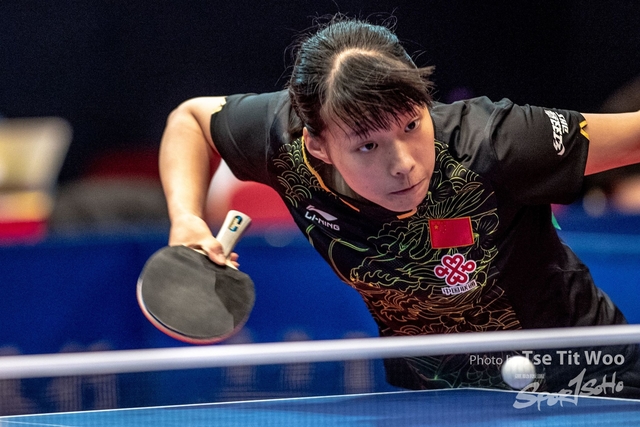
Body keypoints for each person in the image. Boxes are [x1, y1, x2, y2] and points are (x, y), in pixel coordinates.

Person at [159, 16, 640, 396]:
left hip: (586, 377)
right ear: (318, 145)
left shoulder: (496, 141)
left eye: (411, 125)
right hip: (438, 395)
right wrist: (186, 219)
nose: (404, 164)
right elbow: (191, 121)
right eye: (368, 146)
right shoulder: (282, 142)